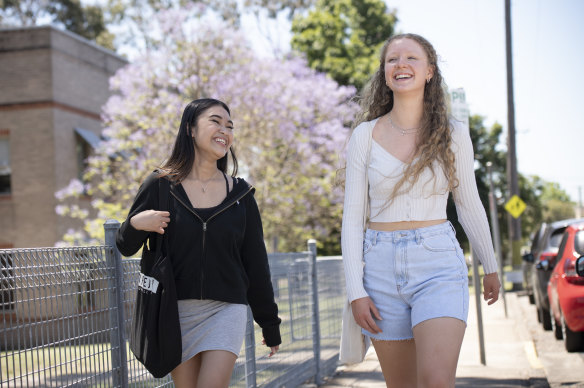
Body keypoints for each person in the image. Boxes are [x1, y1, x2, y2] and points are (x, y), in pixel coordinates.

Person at [341, 34, 501, 388]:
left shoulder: (454, 133)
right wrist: (356, 291)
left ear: (429, 71)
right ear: (385, 75)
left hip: (438, 265)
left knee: (435, 382)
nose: (400, 64)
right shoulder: (364, 136)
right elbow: (352, 219)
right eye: (392, 59)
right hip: (379, 270)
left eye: (411, 58)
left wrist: (490, 265)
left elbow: (468, 203)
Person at [116, 98, 281, 388]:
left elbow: (256, 263)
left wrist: (269, 322)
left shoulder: (241, 195)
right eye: (215, 121)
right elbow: (124, 245)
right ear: (191, 129)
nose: (225, 130)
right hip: (174, 311)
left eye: (229, 125)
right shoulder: (159, 185)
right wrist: (135, 224)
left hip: (226, 309)